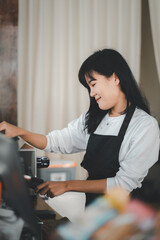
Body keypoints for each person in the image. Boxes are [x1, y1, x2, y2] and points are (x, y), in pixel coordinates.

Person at [0, 49, 159, 206]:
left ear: (115, 78)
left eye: (93, 84)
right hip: (93, 210)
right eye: (89, 88)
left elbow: (122, 184)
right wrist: (19, 132)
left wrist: (67, 185)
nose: (91, 93)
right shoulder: (94, 119)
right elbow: (55, 141)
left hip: (123, 219)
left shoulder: (144, 126)